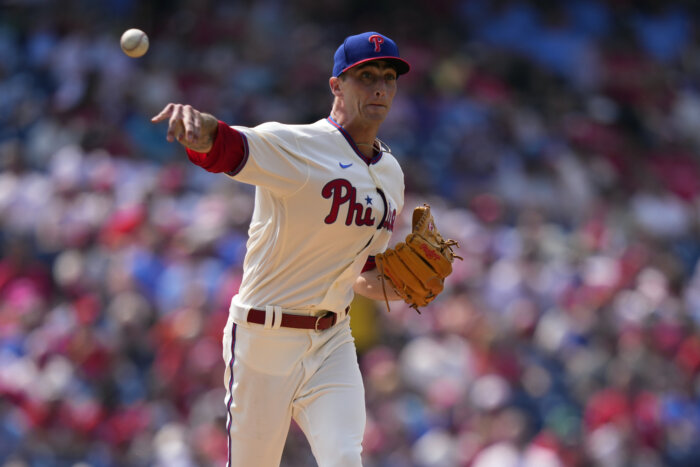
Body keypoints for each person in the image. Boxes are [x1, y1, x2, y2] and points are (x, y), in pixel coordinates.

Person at [152, 31, 410, 467]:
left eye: (388, 76)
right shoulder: (299, 145)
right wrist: (199, 129)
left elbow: (361, 269)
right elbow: (227, 146)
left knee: (346, 458)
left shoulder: (391, 174)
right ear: (336, 86)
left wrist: (398, 284)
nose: (380, 86)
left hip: (332, 340)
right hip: (262, 337)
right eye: (365, 76)